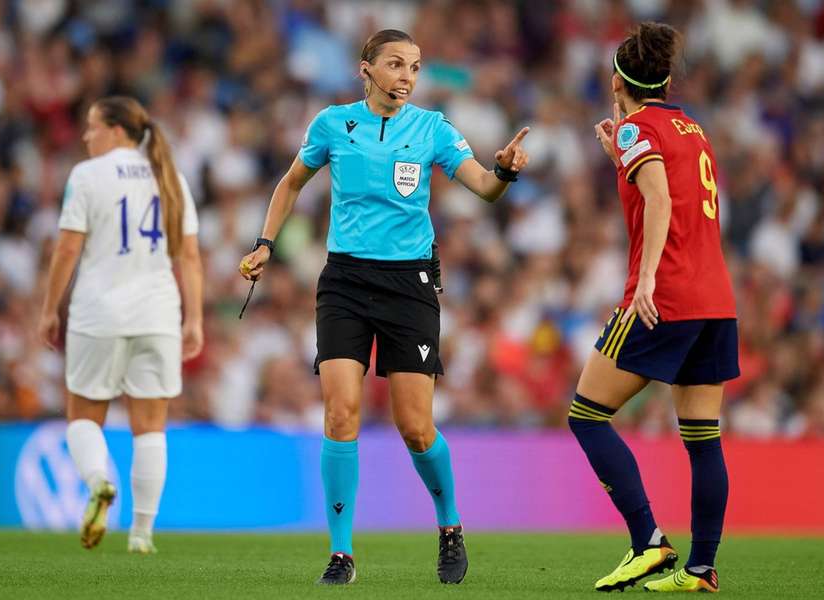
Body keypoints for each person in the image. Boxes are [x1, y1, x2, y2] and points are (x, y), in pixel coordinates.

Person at [238, 29, 529, 585]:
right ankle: (341, 554)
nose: (406, 76)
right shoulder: (330, 124)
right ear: (364, 69)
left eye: (415, 67)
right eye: (395, 64)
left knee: (415, 426)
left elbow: (485, 188)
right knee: (339, 413)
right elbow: (289, 184)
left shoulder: (433, 128)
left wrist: (507, 172)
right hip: (344, 279)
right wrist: (265, 244)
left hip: (408, 285)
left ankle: (449, 526)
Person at [570, 22, 738, 593]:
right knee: (702, 435)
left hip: (664, 297)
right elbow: (680, 190)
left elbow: (662, 200)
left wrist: (644, 283)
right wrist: (622, 150)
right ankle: (701, 568)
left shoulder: (635, 130)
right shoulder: (691, 127)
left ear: (617, 80)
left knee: (586, 413)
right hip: (716, 298)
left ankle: (648, 542)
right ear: (663, 80)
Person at [38, 96, 203, 554]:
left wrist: (50, 308)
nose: (87, 136)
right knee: (150, 427)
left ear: (115, 131)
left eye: (92, 127)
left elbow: (67, 249)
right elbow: (189, 256)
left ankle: (98, 481)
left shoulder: (88, 176)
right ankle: (142, 535)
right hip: (159, 315)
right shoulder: (169, 176)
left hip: (99, 313)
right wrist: (195, 319)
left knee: (82, 418)